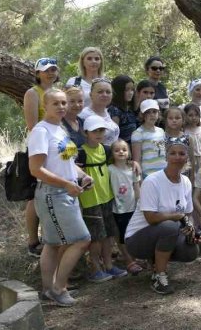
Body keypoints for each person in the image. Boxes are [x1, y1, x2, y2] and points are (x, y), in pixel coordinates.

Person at [27, 88, 92, 307]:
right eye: (56, 103)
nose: (62, 107)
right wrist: (65, 184)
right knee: (82, 240)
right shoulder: (41, 131)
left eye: (64, 103)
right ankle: (59, 288)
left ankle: (48, 289)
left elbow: (67, 162)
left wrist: (82, 176)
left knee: (53, 243)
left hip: (67, 191)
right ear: (45, 106)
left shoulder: (60, 129)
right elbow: (36, 169)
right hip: (52, 194)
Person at [124, 136, 199, 295]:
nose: (177, 157)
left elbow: (188, 214)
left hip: (164, 232)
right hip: (137, 239)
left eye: (181, 153)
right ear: (166, 156)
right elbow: (150, 218)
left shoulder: (185, 181)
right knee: (170, 227)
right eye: (173, 153)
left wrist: (190, 227)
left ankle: (156, 263)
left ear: (187, 157)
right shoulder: (152, 181)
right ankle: (159, 276)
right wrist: (176, 217)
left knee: (191, 250)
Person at [77, 115, 128, 283]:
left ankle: (108, 265)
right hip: (90, 200)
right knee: (96, 237)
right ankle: (95, 268)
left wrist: (134, 164)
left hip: (108, 197)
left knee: (108, 235)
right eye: (95, 131)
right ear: (86, 133)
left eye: (101, 130)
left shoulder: (106, 150)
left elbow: (121, 163)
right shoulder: (81, 152)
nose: (99, 133)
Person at [107, 139, 143, 275]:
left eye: (124, 149)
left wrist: (140, 204)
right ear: (112, 154)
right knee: (122, 236)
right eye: (117, 150)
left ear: (128, 152)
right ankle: (129, 261)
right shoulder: (109, 170)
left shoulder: (133, 169)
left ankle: (135, 257)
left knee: (133, 233)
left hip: (133, 208)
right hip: (119, 210)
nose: (121, 152)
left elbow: (137, 187)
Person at [80, 78, 121, 146]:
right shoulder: (83, 115)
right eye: (100, 92)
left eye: (108, 92)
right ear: (91, 95)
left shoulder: (108, 113)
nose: (104, 95)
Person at [132, 99, 166, 178]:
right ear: (142, 115)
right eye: (148, 112)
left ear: (158, 113)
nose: (152, 115)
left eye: (154, 111)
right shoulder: (138, 133)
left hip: (163, 172)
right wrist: (139, 179)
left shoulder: (161, 131)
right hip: (148, 174)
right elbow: (137, 160)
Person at [108, 75, 138, 145]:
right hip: (121, 150)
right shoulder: (114, 110)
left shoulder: (130, 109)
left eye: (132, 89)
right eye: (127, 90)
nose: (131, 93)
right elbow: (114, 135)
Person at [182, 103, 201, 175]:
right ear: (185, 116)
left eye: (196, 115)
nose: (194, 118)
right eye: (190, 115)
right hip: (188, 160)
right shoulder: (184, 131)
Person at [61, 86, 87, 150]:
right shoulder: (59, 123)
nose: (77, 105)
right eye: (72, 101)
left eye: (80, 101)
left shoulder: (83, 122)